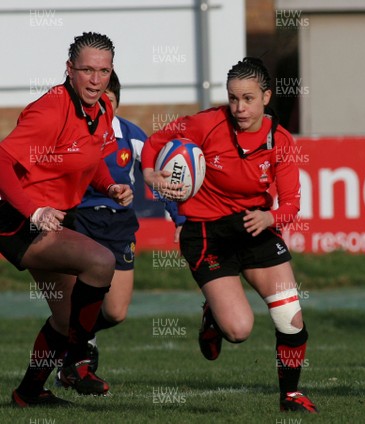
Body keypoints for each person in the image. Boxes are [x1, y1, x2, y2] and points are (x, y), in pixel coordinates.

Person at [141, 57, 318, 413]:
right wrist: (149, 173)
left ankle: (290, 396)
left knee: (290, 317)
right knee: (238, 330)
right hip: (206, 232)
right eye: (234, 98)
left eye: (249, 98)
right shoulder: (206, 123)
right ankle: (213, 316)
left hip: (254, 226)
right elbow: (156, 141)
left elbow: (292, 203)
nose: (239, 107)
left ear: (266, 97)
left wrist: (271, 217)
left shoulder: (279, 141)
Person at [0, 32, 133, 407]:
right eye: (87, 70)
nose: (95, 79)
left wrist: (110, 187)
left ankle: (29, 393)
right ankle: (77, 361)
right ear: (69, 69)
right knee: (101, 261)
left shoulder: (102, 110)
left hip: (53, 219)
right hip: (17, 218)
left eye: (103, 71)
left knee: (64, 316)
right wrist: (34, 210)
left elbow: (87, 163)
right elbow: (2, 162)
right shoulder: (51, 109)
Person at [49, 70, 185, 378]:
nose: (100, 106)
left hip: (119, 226)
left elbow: (158, 177)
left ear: (116, 103)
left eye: (107, 99)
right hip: (79, 219)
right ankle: (74, 356)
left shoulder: (130, 135)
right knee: (77, 303)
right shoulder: (71, 133)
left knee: (115, 312)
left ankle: (81, 336)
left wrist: (179, 219)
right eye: (94, 99)